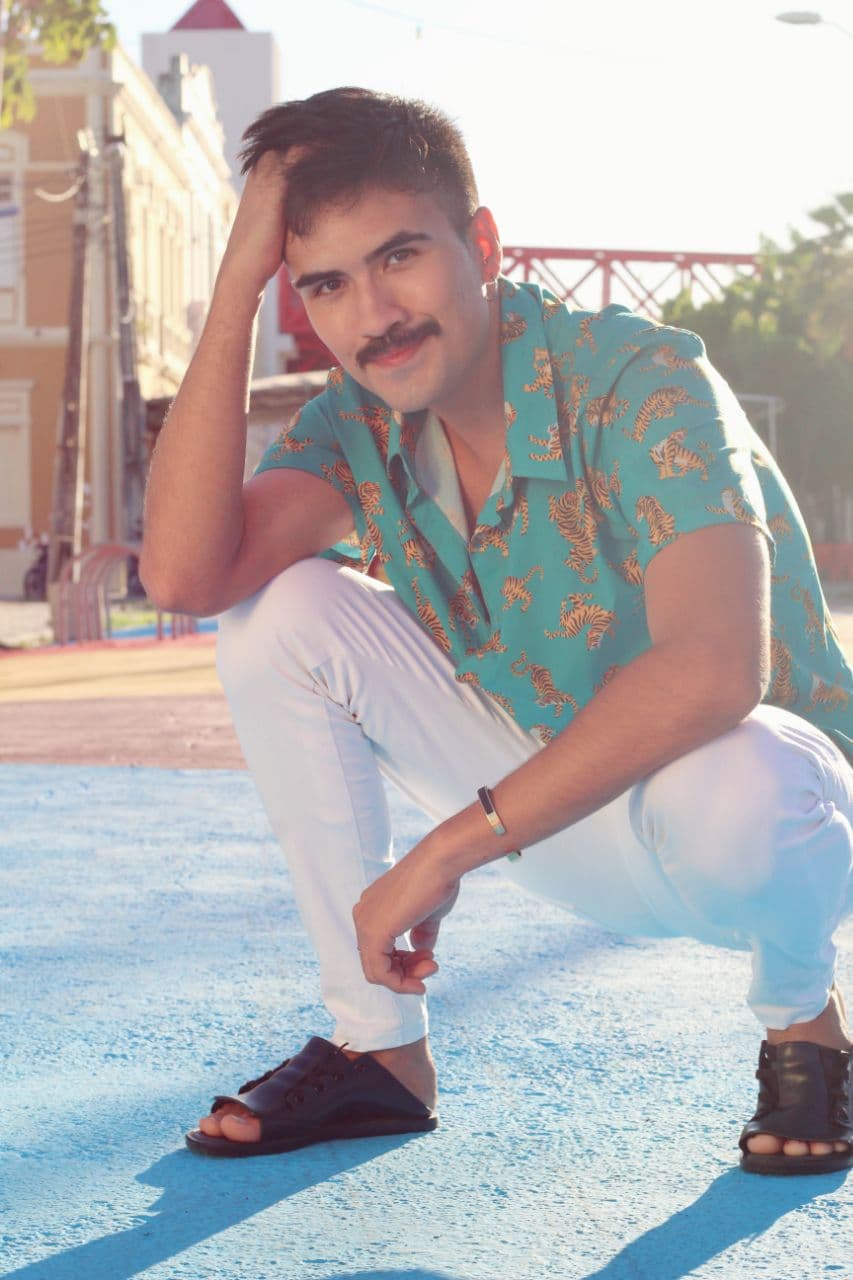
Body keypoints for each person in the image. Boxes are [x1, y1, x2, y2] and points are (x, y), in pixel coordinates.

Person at [140, 87, 853, 1175]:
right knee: (279, 613)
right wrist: (236, 287)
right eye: (325, 283)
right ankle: (379, 1046)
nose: (372, 314)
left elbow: (715, 668)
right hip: (553, 817)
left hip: (757, 832)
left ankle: (805, 1021)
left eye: (398, 257)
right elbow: (186, 575)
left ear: (479, 244)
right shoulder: (358, 421)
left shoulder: (639, 375)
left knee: (746, 773)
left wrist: (441, 852)